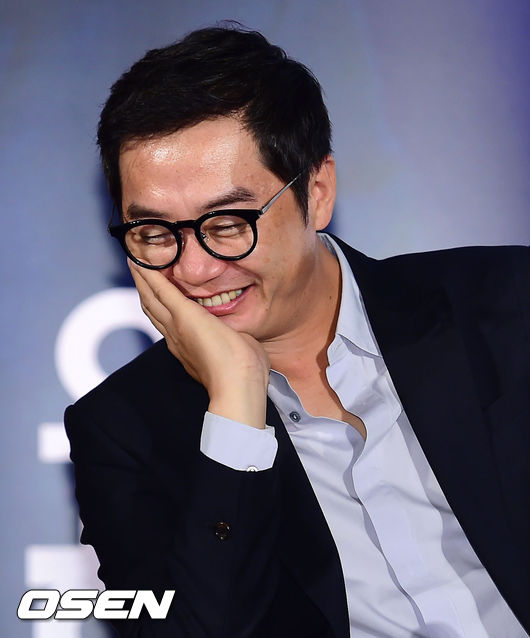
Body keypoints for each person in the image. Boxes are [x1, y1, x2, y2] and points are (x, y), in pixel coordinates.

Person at [65, 25, 530, 638]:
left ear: (318, 191)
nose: (194, 269)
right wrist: (235, 410)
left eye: (227, 223)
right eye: (154, 233)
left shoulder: (507, 305)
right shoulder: (124, 431)